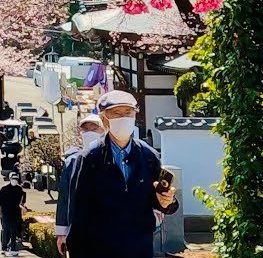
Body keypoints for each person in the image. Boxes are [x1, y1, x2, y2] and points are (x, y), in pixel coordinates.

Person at [56, 91, 178, 258]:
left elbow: (159, 201)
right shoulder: (89, 157)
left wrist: (167, 202)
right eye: (116, 113)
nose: (123, 118)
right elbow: (78, 210)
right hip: (99, 248)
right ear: (104, 118)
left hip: (139, 247)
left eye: (128, 112)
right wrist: (74, 245)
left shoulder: (148, 156)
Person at [54, 114, 107, 243]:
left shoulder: (113, 157)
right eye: (86, 130)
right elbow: (65, 196)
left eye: (94, 129)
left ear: (104, 130)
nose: (89, 133)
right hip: (80, 228)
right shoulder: (73, 161)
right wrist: (62, 231)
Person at [0, 171, 28, 256]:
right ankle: (4, 248)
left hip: (15, 213)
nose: (15, 180)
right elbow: (1, 202)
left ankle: (13, 249)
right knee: (6, 231)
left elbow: (21, 201)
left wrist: (21, 207)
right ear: (10, 179)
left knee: (14, 231)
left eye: (16, 179)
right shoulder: (4, 189)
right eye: (13, 178)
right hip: (6, 213)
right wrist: (2, 212)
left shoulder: (19, 189)